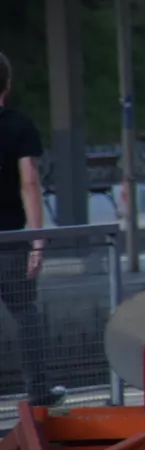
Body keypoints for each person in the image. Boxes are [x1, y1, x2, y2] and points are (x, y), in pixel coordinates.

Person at [0, 54, 57, 406]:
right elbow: (30, 183)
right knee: (25, 312)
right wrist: (37, 240)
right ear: (7, 85)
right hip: (11, 239)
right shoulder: (20, 126)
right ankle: (38, 392)